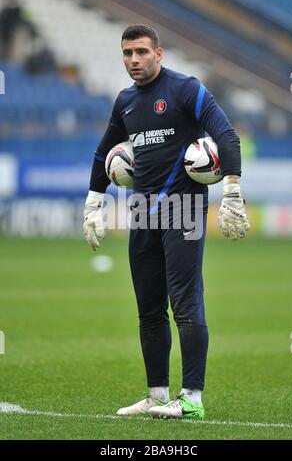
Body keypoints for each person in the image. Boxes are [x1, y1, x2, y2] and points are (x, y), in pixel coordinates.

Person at [83, 24, 250, 419]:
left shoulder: (186, 89)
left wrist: (232, 190)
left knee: (186, 305)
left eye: (141, 52)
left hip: (185, 211)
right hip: (141, 213)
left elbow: (227, 135)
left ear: (159, 54)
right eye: (127, 53)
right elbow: (102, 153)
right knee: (148, 309)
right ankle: (158, 395)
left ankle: (191, 398)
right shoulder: (125, 101)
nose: (134, 60)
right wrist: (94, 202)